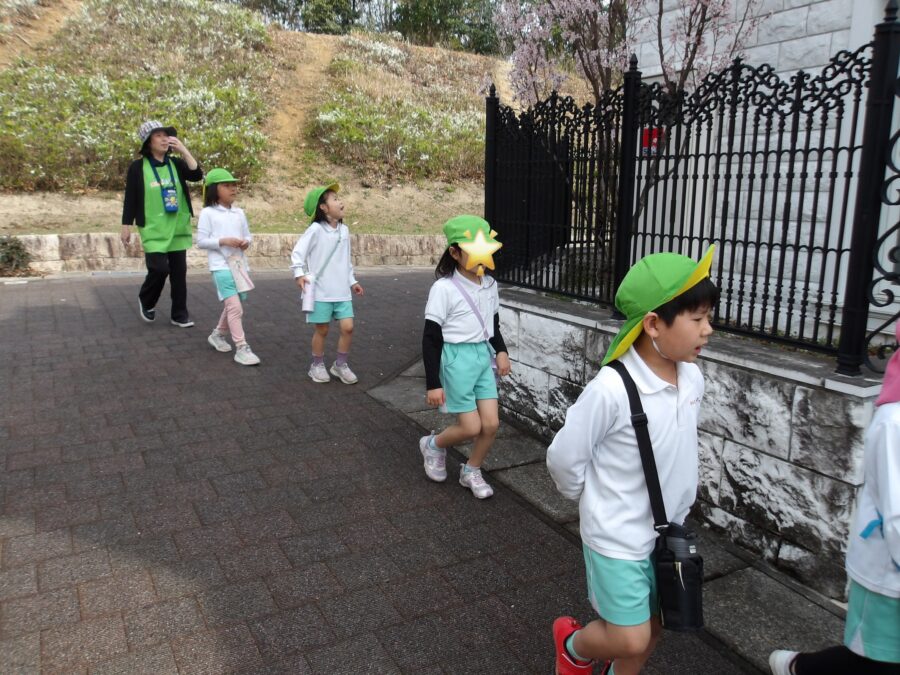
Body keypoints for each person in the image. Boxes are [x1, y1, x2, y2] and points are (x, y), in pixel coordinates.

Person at [546, 247, 718, 675]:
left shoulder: (692, 377)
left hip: (666, 533)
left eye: (708, 317)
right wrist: (593, 500)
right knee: (629, 637)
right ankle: (573, 646)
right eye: (697, 319)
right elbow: (564, 457)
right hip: (618, 536)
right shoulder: (611, 389)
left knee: (655, 627)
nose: (708, 329)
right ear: (653, 324)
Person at [768, 324, 900, 675]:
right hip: (888, 579)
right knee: (875, 661)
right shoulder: (894, 422)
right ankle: (799, 666)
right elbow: (897, 518)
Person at [419, 215, 511, 499]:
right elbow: (431, 337)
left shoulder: (490, 284)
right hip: (456, 359)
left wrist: (501, 350)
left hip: (482, 356)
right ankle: (433, 445)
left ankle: (471, 470)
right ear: (455, 252)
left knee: (491, 424)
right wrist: (433, 383)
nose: (481, 255)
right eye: (473, 249)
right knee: (471, 427)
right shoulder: (444, 289)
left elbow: (492, 324)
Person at [121, 120, 202, 327]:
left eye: (166, 135)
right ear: (148, 142)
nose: (164, 139)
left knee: (179, 274)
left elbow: (196, 175)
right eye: (158, 135)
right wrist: (126, 225)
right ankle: (146, 300)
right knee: (159, 269)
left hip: (177, 226)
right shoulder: (138, 168)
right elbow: (131, 198)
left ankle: (179, 315)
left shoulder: (176, 164)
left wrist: (184, 150)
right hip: (153, 228)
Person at [290, 183, 364, 384]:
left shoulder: (344, 230)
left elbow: (345, 260)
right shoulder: (315, 230)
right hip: (320, 292)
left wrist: (352, 281)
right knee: (322, 330)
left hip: (341, 291)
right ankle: (317, 365)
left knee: (348, 328)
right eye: (334, 199)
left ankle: (340, 365)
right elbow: (298, 253)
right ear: (323, 207)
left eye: (339, 198)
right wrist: (299, 274)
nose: (340, 202)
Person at [196, 168, 260, 367]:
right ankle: (241, 347)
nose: (233, 189)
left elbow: (248, 236)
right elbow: (201, 241)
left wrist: (246, 242)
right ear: (214, 189)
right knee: (235, 308)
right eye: (226, 185)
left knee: (233, 305)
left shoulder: (239, 213)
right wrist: (222, 241)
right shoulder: (207, 213)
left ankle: (217, 335)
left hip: (239, 266)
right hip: (220, 267)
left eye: (234, 185)